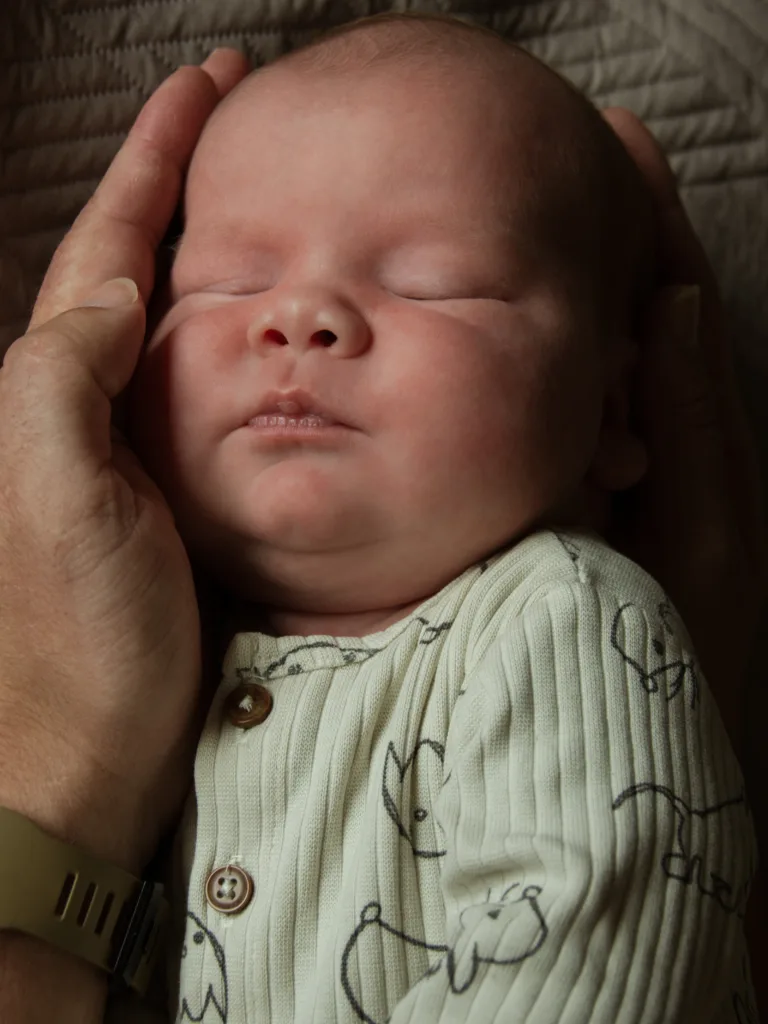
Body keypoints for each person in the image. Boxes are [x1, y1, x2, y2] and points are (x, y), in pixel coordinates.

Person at [0, 16, 762, 1024]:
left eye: (430, 282)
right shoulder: (159, 657)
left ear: (613, 412)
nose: (300, 315)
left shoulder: (567, 622)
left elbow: (582, 952)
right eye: (228, 279)